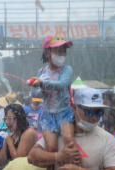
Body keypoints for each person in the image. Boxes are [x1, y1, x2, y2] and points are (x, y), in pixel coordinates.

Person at [28, 88, 115, 170]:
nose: (94, 117)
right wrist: (59, 157)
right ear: (74, 108)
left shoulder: (107, 139)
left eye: (99, 112)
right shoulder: (58, 132)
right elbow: (32, 157)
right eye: (89, 112)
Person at [31, 34, 75, 163]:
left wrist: (43, 84)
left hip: (64, 112)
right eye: (58, 50)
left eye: (64, 51)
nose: (62, 54)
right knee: (51, 147)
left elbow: (61, 85)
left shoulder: (67, 70)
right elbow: (36, 94)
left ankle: (72, 165)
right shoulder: (42, 72)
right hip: (47, 115)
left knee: (69, 139)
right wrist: (41, 90)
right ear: (48, 52)